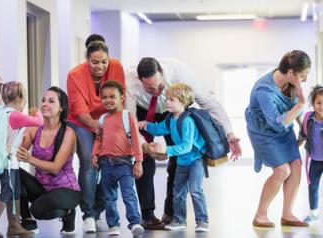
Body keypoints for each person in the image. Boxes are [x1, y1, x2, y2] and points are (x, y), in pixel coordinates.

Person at [125, 57, 241, 229]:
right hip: (144, 109)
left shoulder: (178, 71)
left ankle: (174, 214)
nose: (156, 91)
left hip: (172, 111)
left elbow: (209, 102)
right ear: (139, 81)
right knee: (143, 159)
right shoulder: (129, 82)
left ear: (163, 74)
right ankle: (148, 215)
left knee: (183, 171)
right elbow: (131, 122)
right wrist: (144, 144)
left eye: (160, 86)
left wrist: (229, 134)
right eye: (150, 88)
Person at [245, 50, 311, 228]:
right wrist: (300, 104)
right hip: (264, 132)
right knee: (282, 170)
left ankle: (287, 214)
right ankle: (260, 215)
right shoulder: (264, 90)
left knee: (296, 166)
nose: (304, 79)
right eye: (303, 75)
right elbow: (277, 123)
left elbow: (298, 112)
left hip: (284, 128)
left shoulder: (289, 83)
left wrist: (304, 133)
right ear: (291, 73)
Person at [67, 40, 125, 232]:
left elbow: (119, 99)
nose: (100, 66)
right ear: (87, 60)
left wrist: (113, 126)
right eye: (95, 62)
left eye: (104, 62)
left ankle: (99, 210)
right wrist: (96, 126)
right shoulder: (75, 75)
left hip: (108, 118)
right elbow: (78, 109)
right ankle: (89, 215)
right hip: (82, 121)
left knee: (111, 163)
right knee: (89, 162)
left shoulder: (116, 67)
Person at [138, 83, 209, 232]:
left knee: (195, 190)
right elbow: (159, 128)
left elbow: (187, 146)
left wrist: (167, 149)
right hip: (182, 161)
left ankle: (202, 221)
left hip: (196, 160)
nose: (167, 102)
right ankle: (179, 220)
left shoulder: (187, 121)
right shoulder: (171, 118)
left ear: (183, 102)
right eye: (167, 99)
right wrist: (146, 125)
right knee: (178, 191)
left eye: (172, 99)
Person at [0, 81, 43, 237]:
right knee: (9, 190)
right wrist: (37, 114)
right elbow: (39, 123)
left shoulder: (2, 112)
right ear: (21, 97)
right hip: (7, 162)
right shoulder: (16, 115)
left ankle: (14, 226)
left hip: (7, 161)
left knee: (16, 192)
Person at [16, 86, 81, 235]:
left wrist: (30, 159)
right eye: (43, 100)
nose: (45, 104)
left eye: (51, 101)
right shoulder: (33, 130)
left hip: (66, 190)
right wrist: (17, 127)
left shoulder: (68, 133)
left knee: (37, 210)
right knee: (14, 173)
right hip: (42, 189)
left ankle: (68, 212)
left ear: (61, 108)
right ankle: (27, 220)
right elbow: (17, 155)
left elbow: (56, 167)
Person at [92, 81, 144, 236]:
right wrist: (95, 153)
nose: (108, 100)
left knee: (129, 195)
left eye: (112, 97)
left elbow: (136, 140)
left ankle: (134, 223)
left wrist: (139, 162)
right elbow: (99, 139)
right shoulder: (102, 119)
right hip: (105, 164)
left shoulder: (127, 116)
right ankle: (113, 225)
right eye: (104, 97)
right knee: (109, 197)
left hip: (124, 163)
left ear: (121, 97)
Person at [297, 85, 323, 224]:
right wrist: (297, 144)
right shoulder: (309, 118)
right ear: (313, 103)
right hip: (315, 161)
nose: (322, 106)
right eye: (319, 103)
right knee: (312, 187)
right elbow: (303, 134)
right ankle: (313, 213)